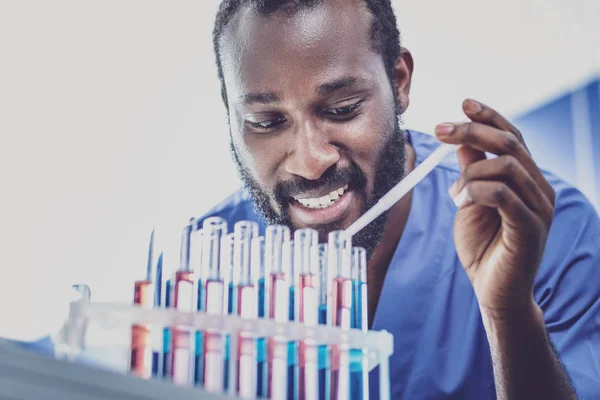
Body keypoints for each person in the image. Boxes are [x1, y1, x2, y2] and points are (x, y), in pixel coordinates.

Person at [197, 0, 600, 398]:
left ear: (399, 80)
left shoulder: (548, 232)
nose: (309, 162)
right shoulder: (202, 264)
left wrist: (507, 312)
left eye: (342, 109)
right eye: (265, 123)